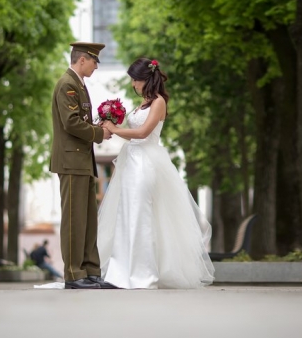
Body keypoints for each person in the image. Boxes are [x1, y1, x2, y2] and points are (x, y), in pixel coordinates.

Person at [98, 57, 215, 289]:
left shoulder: (158, 102)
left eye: (134, 80)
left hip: (145, 164)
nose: (133, 84)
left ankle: (143, 274)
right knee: (126, 216)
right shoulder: (143, 102)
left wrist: (115, 129)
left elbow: (142, 133)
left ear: (144, 79)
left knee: (141, 217)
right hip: (130, 163)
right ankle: (121, 272)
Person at [51, 41, 117, 289]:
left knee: (88, 220)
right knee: (74, 220)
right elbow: (71, 123)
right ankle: (73, 274)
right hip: (71, 161)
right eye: (94, 61)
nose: (96, 66)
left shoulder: (78, 84)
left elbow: (79, 121)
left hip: (81, 161)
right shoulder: (67, 84)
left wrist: (97, 128)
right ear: (82, 60)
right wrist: (99, 134)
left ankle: (90, 270)